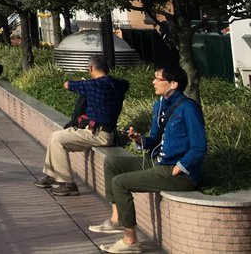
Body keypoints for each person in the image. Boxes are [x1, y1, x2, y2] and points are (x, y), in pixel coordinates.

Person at [89, 63, 206, 254]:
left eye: (158, 79)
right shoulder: (159, 106)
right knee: (111, 162)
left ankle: (130, 240)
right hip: (158, 162)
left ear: (173, 84)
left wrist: (181, 167)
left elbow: (199, 147)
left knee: (120, 183)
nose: (153, 82)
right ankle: (117, 219)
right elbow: (152, 140)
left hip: (177, 172)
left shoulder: (188, 108)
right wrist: (139, 139)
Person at [34, 54, 129, 196]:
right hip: (107, 132)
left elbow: (67, 84)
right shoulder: (119, 84)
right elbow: (124, 84)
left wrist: (81, 81)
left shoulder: (92, 85)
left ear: (91, 68)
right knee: (56, 137)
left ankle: (67, 183)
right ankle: (53, 175)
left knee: (57, 138)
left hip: (97, 134)